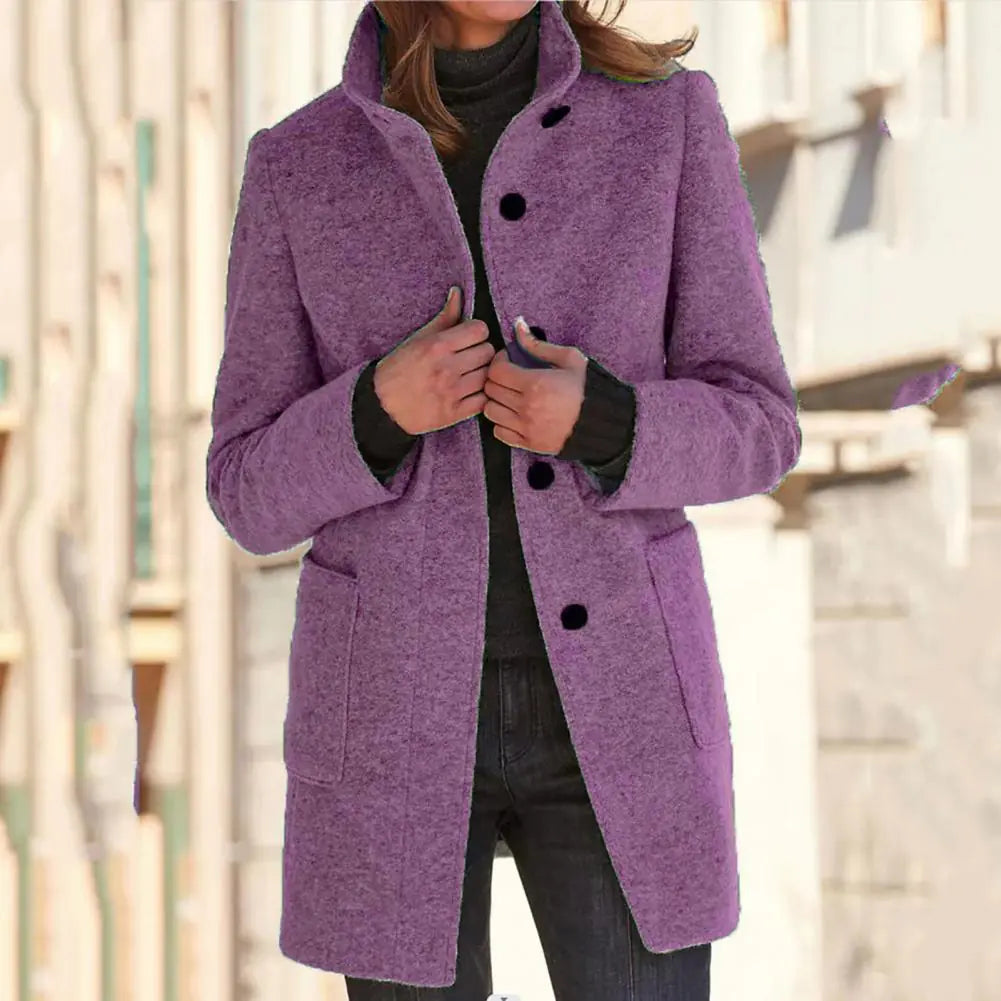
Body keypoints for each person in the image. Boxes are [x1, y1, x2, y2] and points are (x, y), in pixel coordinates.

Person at [206, 1, 802, 999]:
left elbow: (761, 426)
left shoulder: (664, 121)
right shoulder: (299, 164)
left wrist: (607, 420)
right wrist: (374, 411)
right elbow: (244, 489)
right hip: (387, 721)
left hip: (624, 704)